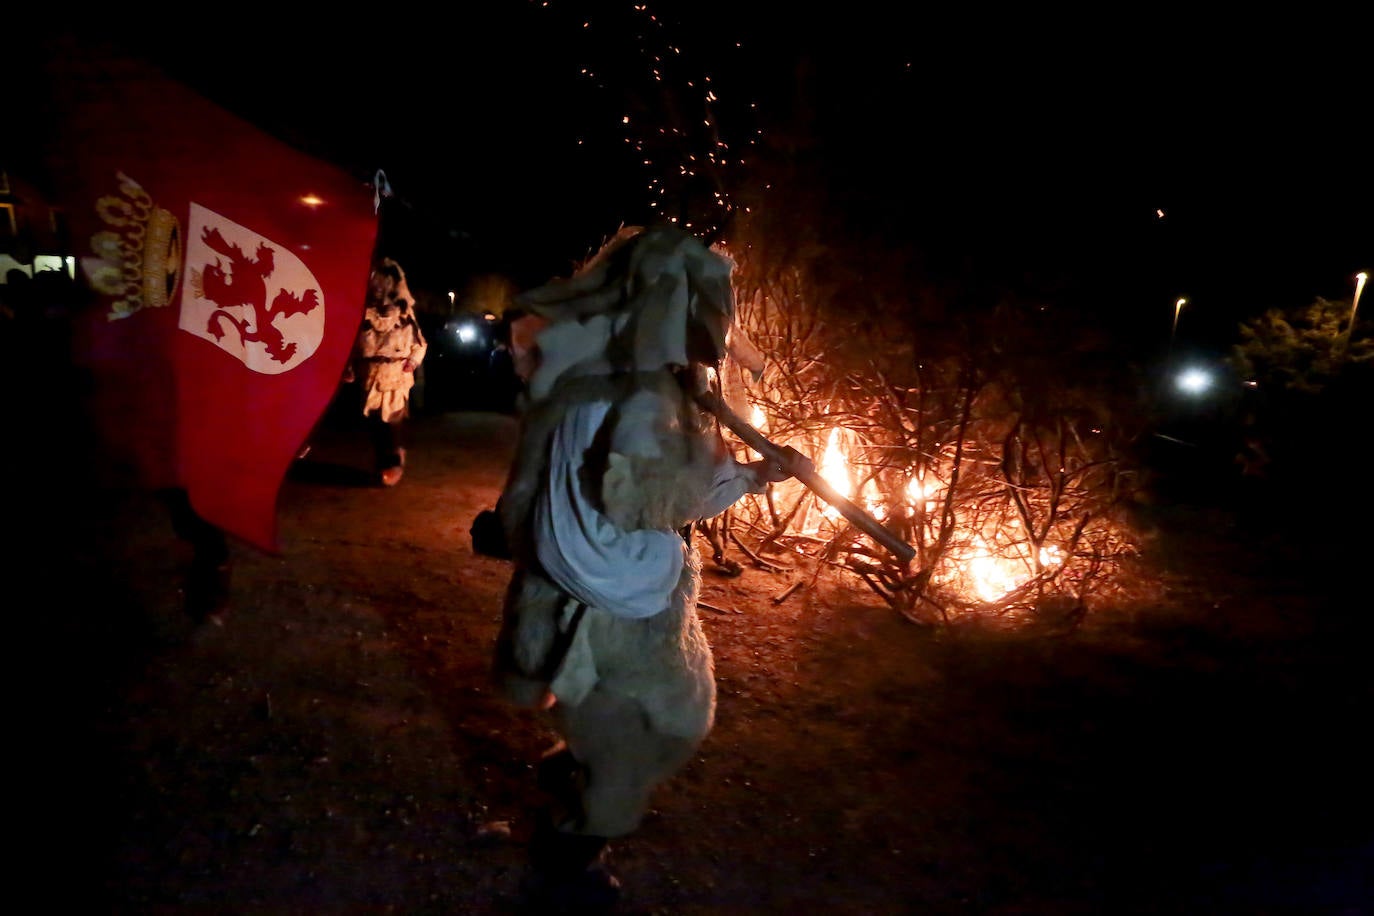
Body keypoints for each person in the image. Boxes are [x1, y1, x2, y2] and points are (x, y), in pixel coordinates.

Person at [484, 225, 793, 911]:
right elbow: (646, 496)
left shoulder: (584, 363)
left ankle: (576, 772)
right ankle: (571, 853)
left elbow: (568, 480)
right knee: (661, 725)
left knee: (606, 704)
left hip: (573, 569)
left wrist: (747, 471)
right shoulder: (645, 387)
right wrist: (744, 474)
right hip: (619, 582)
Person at [344, 257, 427, 486]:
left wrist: (411, 362)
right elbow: (350, 344)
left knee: (393, 420)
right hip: (369, 375)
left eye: (382, 282)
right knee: (374, 423)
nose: (378, 286)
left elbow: (420, 344)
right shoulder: (362, 313)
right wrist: (349, 367)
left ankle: (395, 462)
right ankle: (382, 463)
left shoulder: (404, 315)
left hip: (395, 375)